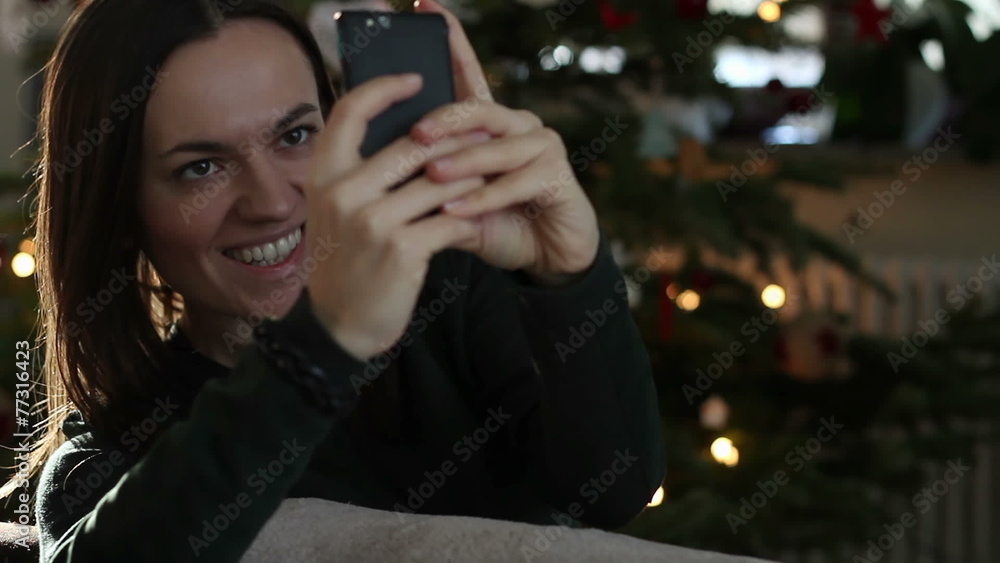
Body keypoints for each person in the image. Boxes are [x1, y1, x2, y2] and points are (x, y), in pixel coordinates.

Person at [3, 0, 666, 560]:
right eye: (200, 167)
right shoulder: (102, 465)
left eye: (295, 134)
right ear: (122, 213)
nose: (270, 200)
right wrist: (324, 344)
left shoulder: (455, 296)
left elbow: (610, 488)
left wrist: (572, 274)